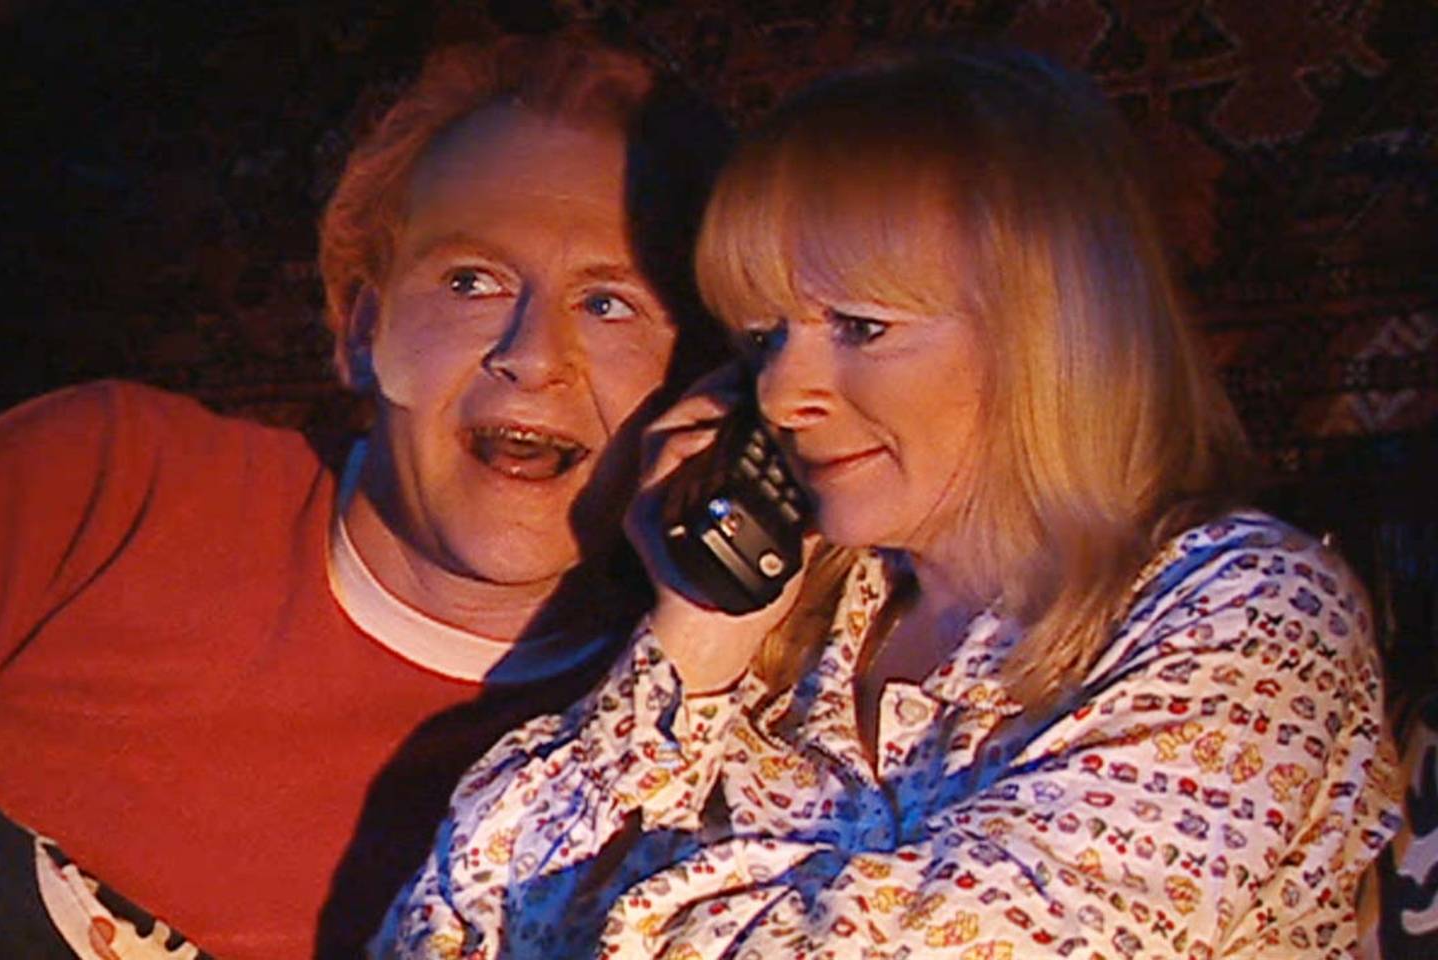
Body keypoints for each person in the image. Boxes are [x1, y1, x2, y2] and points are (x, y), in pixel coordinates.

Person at [377, 46, 1402, 959]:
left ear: (1046, 330)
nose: (783, 394)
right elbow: (441, 931)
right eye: (764, 337)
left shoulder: (1250, 608)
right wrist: (696, 639)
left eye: (861, 328)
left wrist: (605, 922)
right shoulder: (797, 633)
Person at [0, 30, 728, 960]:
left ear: (707, 382)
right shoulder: (105, 479)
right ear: (361, 329)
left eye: (609, 303)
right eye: (472, 281)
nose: (534, 356)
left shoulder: (685, 760)